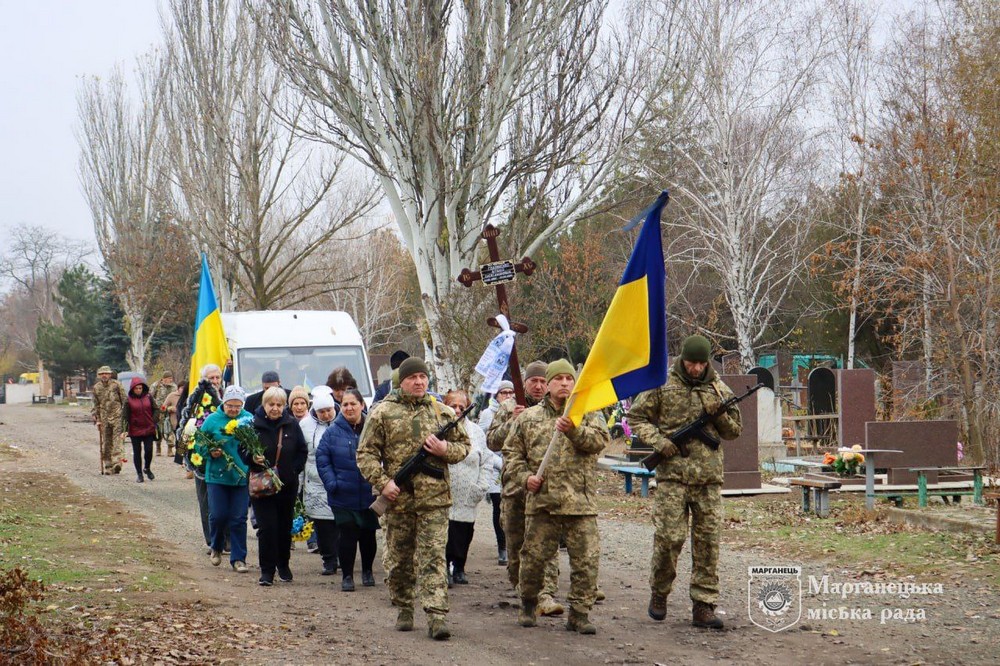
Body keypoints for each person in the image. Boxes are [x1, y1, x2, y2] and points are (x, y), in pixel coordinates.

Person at [627, 335, 742, 630]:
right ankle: (660, 592)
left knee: (707, 544)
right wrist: (660, 441)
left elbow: (733, 432)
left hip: (707, 480)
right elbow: (637, 417)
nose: (695, 368)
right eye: (691, 362)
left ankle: (704, 605)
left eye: (701, 363)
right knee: (668, 539)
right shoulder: (662, 385)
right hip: (673, 478)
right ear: (682, 360)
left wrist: (719, 414)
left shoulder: (718, 388)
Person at [357, 357, 470, 641]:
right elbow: (365, 454)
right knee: (399, 560)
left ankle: (436, 616)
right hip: (399, 502)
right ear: (401, 381)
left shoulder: (442, 412)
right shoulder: (382, 413)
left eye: (423, 376)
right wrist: (383, 484)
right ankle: (404, 607)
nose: (419, 382)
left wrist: (445, 449)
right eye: (413, 377)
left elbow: (464, 446)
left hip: (434, 500)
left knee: (433, 557)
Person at [503, 359, 609, 634]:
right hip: (543, 504)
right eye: (558, 379)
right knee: (533, 560)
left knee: (586, 562)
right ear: (547, 384)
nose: (564, 383)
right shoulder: (528, 418)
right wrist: (526, 478)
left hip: (580, 503)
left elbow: (598, 442)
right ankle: (528, 604)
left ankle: (580, 613)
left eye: (569, 379)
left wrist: (574, 430)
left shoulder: (588, 413)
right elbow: (512, 456)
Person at [487, 361, 564, 616]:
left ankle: (545, 594)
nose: (539, 386)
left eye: (543, 381)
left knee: (547, 544)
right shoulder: (509, 407)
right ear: (525, 382)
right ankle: (525, 591)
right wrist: (512, 421)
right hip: (515, 488)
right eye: (534, 381)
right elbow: (492, 441)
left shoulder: (559, 410)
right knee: (517, 543)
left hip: (544, 489)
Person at [316, 388, 380, 592]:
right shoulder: (332, 432)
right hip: (343, 494)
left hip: (369, 493)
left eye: (353, 403)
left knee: (368, 535)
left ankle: (367, 571)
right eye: (345, 404)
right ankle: (347, 576)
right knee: (348, 535)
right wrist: (332, 483)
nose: (349, 407)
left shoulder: (373, 428)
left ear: (362, 405)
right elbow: (322, 459)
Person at [251, 386, 308, 586]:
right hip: (262, 487)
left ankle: (283, 565)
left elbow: (302, 451)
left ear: (284, 406)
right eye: (271, 404)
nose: (275, 408)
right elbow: (242, 453)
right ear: (264, 405)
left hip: (286, 486)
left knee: (284, 527)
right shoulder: (253, 426)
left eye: (279, 405)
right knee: (267, 528)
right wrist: (253, 459)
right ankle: (267, 571)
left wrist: (293, 471)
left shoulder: (291, 425)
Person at [196, 385, 252, 573]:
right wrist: (210, 451)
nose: (234, 410)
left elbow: (256, 443)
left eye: (237, 406)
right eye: (230, 405)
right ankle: (217, 547)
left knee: (238, 518)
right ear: (224, 403)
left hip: (240, 476)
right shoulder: (212, 420)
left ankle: (239, 559)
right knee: (218, 515)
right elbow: (199, 444)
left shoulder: (248, 419)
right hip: (217, 476)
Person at [443, 389, 492, 586]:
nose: (456, 410)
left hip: (468, 492)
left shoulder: (476, 432)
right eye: (452, 406)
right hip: (445, 492)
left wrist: (481, 486)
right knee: (445, 532)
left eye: (461, 407)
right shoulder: (439, 428)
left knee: (464, 532)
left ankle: (460, 567)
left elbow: (486, 461)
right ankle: (444, 567)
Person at [180, 364, 225, 552]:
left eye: (218, 377)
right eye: (211, 378)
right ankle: (212, 541)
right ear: (204, 378)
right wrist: (185, 453)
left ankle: (228, 540)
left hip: (225, 460)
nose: (215, 381)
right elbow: (184, 423)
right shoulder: (195, 397)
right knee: (205, 502)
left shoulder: (229, 397)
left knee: (226, 503)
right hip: (201, 459)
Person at [299, 391, 339, 575]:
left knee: (341, 522)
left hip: (339, 477)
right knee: (323, 524)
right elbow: (301, 454)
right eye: (321, 411)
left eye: (329, 410)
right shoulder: (305, 425)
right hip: (315, 480)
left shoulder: (342, 422)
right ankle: (329, 560)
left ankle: (341, 555)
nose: (326, 415)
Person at [122, 377, 158, 483]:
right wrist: (124, 430)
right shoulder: (128, 400)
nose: (138, 390)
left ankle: (147, 468)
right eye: (136, 388)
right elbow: (124, 416)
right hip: (135, 429)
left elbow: (156, 409)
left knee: (149, 450)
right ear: (132, 389)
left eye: (140, 388)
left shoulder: (148, 397)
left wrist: (153, 420)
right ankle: (139, 474)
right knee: (137, 452)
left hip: (148, 428)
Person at [91, 365, 126, 475]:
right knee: (106, 442)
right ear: (99, 375)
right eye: (102, 374)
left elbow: (124, 400)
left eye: (106, 373)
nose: (104, 375)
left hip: (117, 416)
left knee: (117, 441)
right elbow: (95, 404)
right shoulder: (96, 387)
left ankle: (117, 463)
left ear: (110, 374)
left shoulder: (117, 385)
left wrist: (125, 416)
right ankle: (108, 464)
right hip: (104, 418)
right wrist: (96, 417)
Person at [150, 371, 177, 456]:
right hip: (159, 412)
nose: (171, 380)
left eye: (171, 378)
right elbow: (150, 397)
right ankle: (158, 447)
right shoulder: (156, 386)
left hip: (169, 412)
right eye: (169, 378)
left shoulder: (174, 386)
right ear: (164, 379)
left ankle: (170, 449)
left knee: (170, 431)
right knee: (159, 430)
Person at [161, 381, 185, 460]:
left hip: (185, 421)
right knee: (175, 438)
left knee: (183, 439)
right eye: (182, 388)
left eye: (185, 388)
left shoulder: (189, 396)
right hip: (174, 422)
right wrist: (170, 408)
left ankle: (181, 457)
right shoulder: (172, 396)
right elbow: (163, 408)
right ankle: (172, 451)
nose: (183, 390)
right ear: (178, 388)